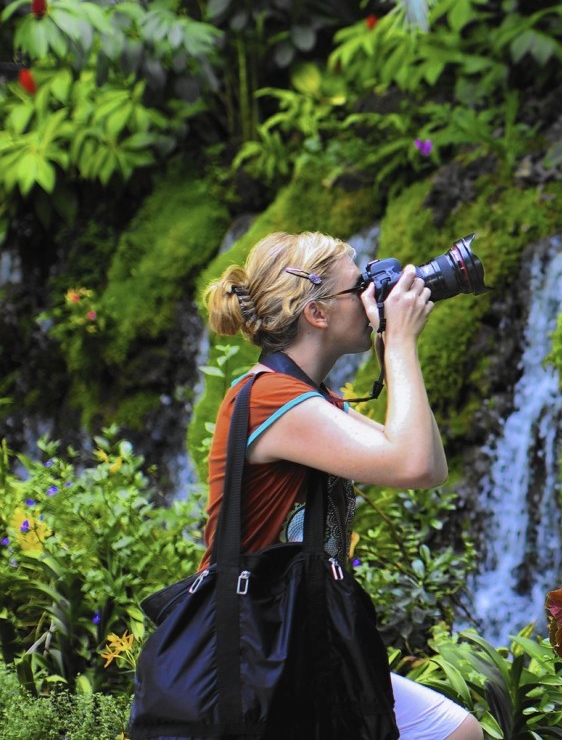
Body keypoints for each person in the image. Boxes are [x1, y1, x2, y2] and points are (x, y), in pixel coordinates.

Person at [202, 230, 482, 740]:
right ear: (318, 313)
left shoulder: (308, 398)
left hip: (299, 633)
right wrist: (399, 342)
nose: (374, 296)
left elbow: (429, 466)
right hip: (257, 643)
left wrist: (394, 348)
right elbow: (414, 464)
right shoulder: (269, 398)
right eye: (361, 287)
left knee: (457, 732)